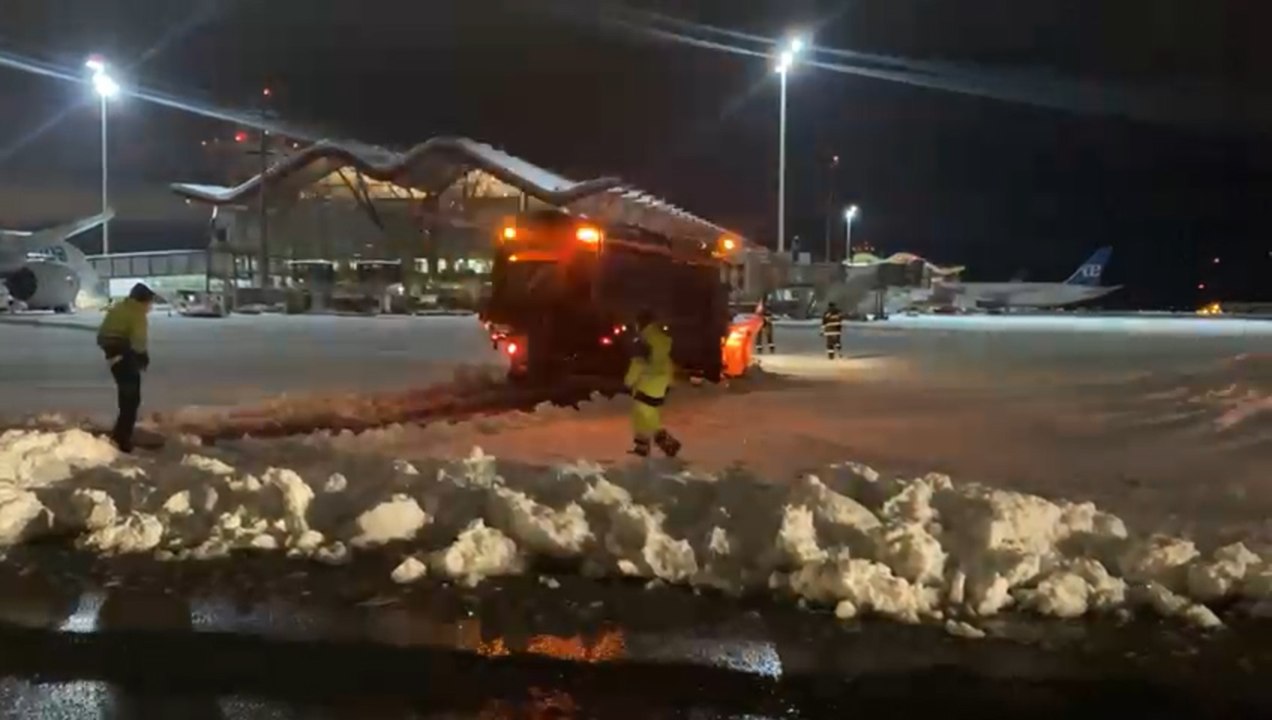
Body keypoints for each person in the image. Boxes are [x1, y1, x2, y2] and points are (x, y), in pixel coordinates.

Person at [97, 283, 155, 452]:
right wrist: (142, 356)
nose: (150, 306)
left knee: (126, 397)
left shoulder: (118, 308)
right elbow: (139, 340)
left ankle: (120, 434)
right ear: (142, 301)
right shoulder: (137, 313)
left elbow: (101, 336)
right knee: (131, 399)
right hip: (125, 357)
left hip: (113, 356)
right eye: (149, 302)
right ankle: (122, 439)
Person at [624, 309, 681, 458]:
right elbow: (668, 363)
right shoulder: (662, 340)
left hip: (646, 384)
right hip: (660, 385)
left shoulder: (643, 342)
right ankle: (642, 446)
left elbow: (638, 363)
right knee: (645, 413)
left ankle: (668, 444)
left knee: (646, 415)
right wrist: (670, 381)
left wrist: (629, 381)